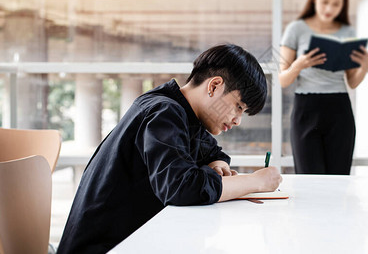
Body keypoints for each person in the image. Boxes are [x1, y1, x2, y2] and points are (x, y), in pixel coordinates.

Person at [57, 44, 282, 253]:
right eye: (238, 107)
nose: (237, 120)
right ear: (214, 85)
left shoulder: (184, 113)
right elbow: (180, 188)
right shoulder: (164, 112)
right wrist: (256, 182)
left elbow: (211, 151)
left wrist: (217, 163)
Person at [278, 0, 368, 175]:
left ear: (343, 6)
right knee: (308, 179)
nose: (330, 9)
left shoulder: (347, 31)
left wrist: (364, 67)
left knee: (338, 179)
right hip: (306, 108)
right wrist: (298, 65)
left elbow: (352, 82)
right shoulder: (297, 29)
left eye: (336, 4)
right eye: (325, 2)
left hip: (339, 108)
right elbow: (282, 79)